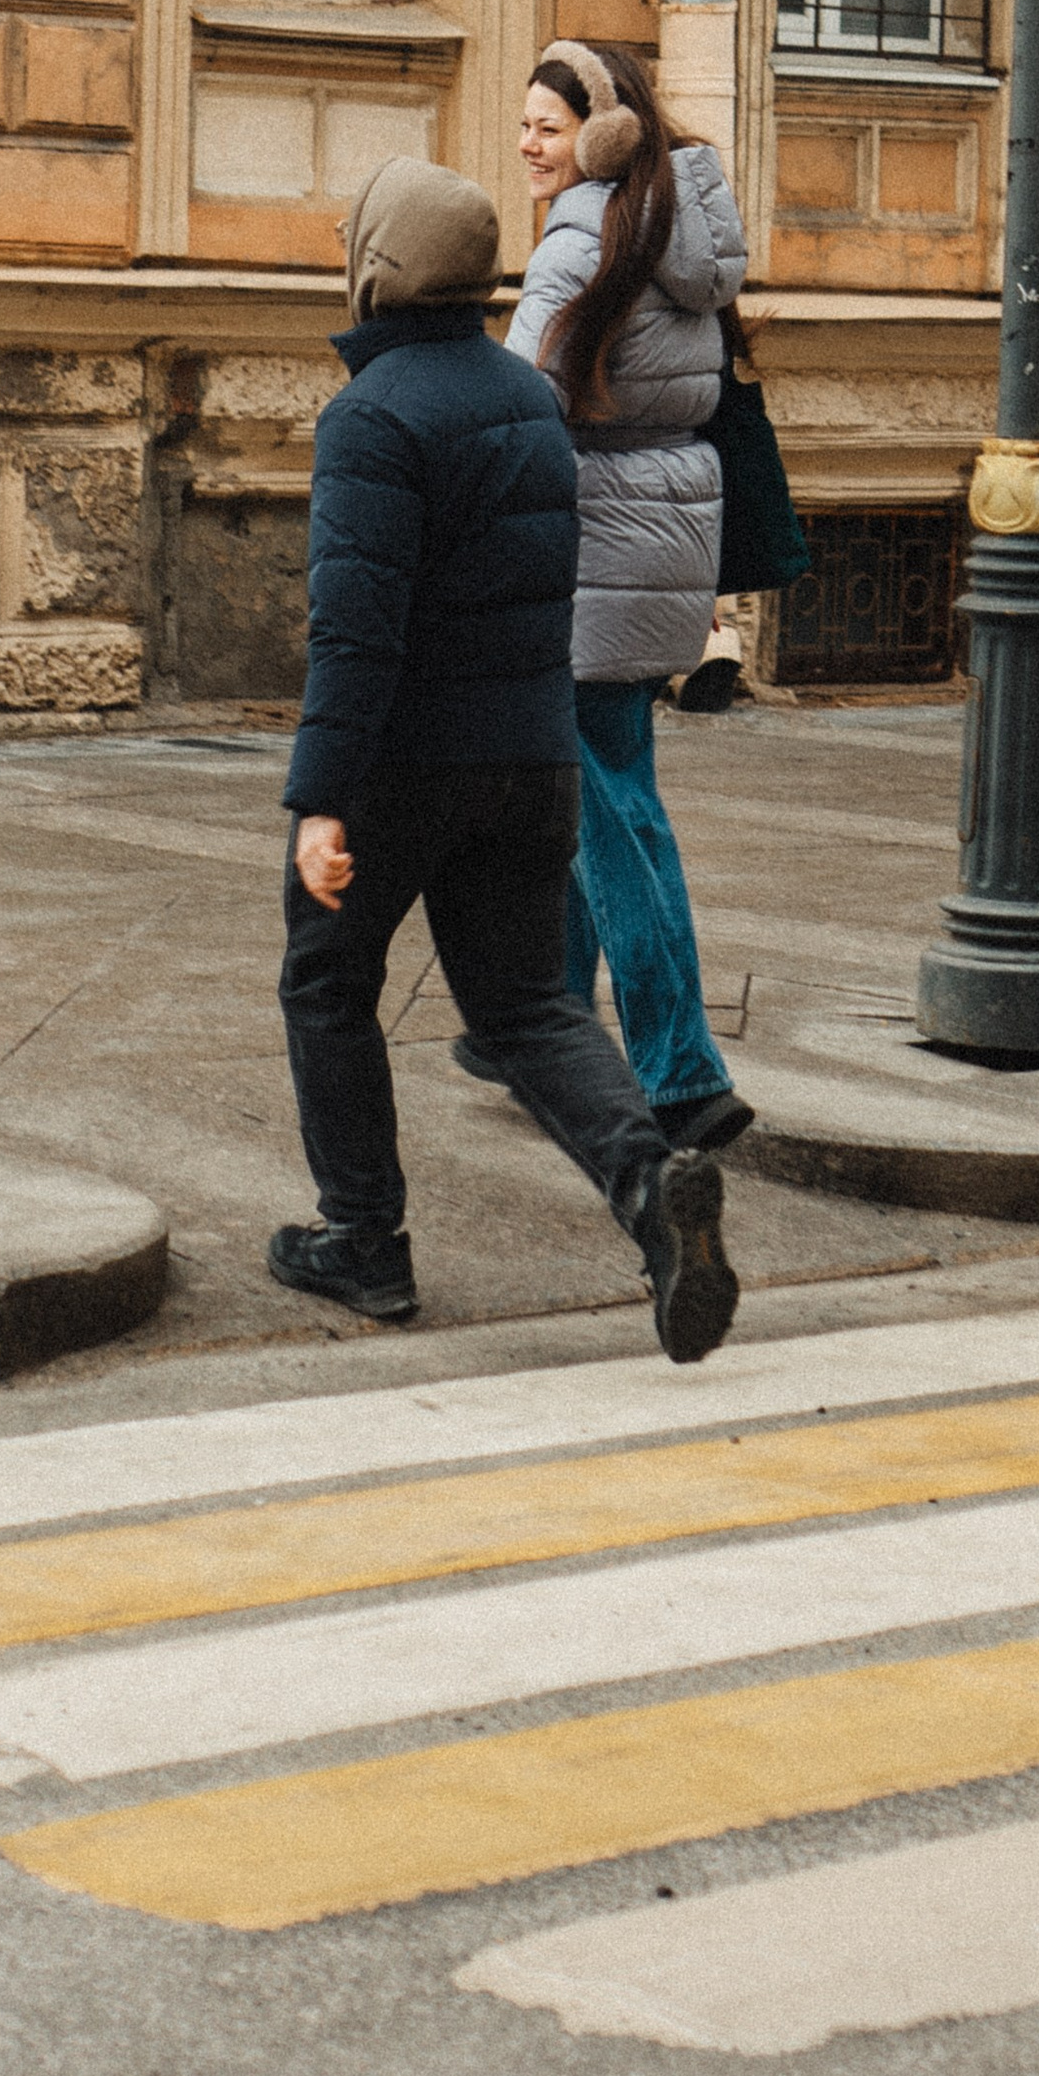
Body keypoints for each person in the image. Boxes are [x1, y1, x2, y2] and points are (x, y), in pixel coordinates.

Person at [271, 150, 739, 1363]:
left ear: (374, 268)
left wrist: (321, 799)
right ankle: (651, 1194)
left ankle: (363, 1242)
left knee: (328, 988)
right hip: (531, 757)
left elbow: (355, 629)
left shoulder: (371, 417)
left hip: (402, 768)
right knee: (532, 1008)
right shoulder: (526, 395)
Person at [481, 37, 755, 1152]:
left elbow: (514, 400)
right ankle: (532, 1025)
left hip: (590, 539)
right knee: (594, 792)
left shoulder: (581, 236)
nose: (527, 144)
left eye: (546, 126)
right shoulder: (676, 227)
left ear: (598, 135)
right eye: (526, 124)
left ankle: (681, 1071)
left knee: (610, 819)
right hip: (671, 527)